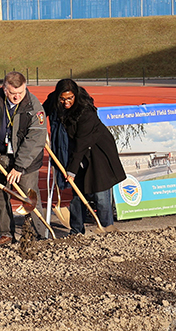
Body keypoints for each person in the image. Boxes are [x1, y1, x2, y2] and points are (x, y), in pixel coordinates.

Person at [46, 79, 125, 234]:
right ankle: (76, 231)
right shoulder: (54, 100)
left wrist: (71, 171)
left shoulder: (85, 111)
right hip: (75, 148)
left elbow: (82, 144)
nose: (66, 102)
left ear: (75, 95)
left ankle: (106, 227)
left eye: (70, 98)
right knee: (77, 193)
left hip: (97, 152)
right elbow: (41, 111)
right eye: (62, 99)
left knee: (100, 193)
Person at [0, 71, 49, 243]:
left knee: (29, 197)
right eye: (13, 93)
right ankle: (6, 233)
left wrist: (19, 167)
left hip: (25, 161)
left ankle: (39, 234)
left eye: (21, 92)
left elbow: (35, 140)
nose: (17, 96)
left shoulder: (34, 106)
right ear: (5, 89)